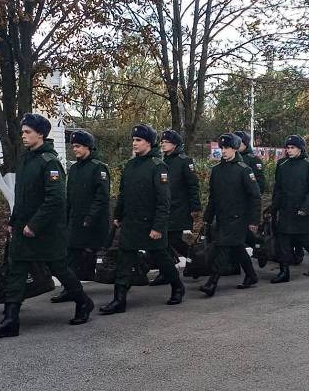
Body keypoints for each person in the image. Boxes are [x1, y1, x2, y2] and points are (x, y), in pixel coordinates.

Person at [0, 114, 94, 339]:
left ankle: (83, 301)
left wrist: (35, 224)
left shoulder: (49, 161)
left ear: (40, 134)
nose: (23, 135)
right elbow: (21, 198)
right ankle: (11, 319)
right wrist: (14, 222)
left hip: (46, 231)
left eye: (28, 132)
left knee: (59, 268)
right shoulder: (25, 159)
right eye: (22, 132)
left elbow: (56, 199)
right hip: (23, 229)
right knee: (16, 271)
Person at [100, 124, 185, 315]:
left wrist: (158, 227)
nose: (134, 143)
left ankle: (177, 286)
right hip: (131, 223)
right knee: (124, 260)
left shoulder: (158, 166)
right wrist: (118, 216)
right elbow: (123, 194)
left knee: (162, 258)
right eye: (133, 140)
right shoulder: (130, 165)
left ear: (148, 142)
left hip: (151, 224)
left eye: (138, 140)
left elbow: (164, 201)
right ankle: (119, 299)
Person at [51, 130, 110, 303]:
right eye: (73, 146)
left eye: (77, 146)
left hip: (92, 223)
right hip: (75, 221)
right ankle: (71, 289)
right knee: (68, 257)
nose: (74, 149)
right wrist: (66, 217)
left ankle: (124, 280)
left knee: (80, 256)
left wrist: (90, 217)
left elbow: (102, 196)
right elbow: (70, 195)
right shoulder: (75, 168)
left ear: (88, 147)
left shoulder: (99, 167)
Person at [199, 133, 261, 296]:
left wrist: (254, 219)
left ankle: (212, 282)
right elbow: (213, 197)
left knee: (223, 248)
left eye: (227, 148)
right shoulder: (217, 170)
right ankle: (251, 275)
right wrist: (207, 217)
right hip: (222, 217)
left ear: (235, 149)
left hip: (238, 218)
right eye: (222, 148)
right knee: (237, 248)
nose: (224, 151)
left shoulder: (244, 170)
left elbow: (255, 196)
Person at [269, 135, 309, 283]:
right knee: (283, 241)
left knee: (306, 241)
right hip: (286, 209)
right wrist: (273, 208)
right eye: (287, 148)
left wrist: (306, 207)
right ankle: (284, 272)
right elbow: (278, 188)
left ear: (300, 149)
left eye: (292, 148)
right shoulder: (282, 164)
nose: (289, 151)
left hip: (302, 211)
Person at [148, 129, 201, 286]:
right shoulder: (163, 162)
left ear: (175, 144)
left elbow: (193, 185)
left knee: (174, 240)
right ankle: (168, 271)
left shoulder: (185, 161)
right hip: (166, 207)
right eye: (162, 142)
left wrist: (195, 207)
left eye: (166, 142)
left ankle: (196, 261)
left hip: (180, 208)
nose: (163, 145)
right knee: (165, 241)